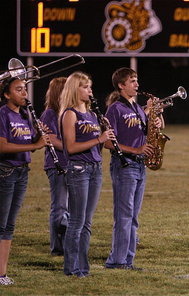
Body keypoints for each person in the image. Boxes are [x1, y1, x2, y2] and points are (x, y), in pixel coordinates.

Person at [104, 67, 163, 270]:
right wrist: (136, 149)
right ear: (121, 85)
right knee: (124, 216)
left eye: (137, 80)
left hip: (139, 166)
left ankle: (128, 260)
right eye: (132, 81)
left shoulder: (137, 108)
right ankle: (117, 261)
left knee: (133, 217)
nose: (137, 84)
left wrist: (156, 120)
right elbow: (108, 142)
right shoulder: (115, 109)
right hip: (124, 165)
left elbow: (149, 132)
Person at [59, 72, 115, 277]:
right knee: (76, 221)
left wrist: (105, 134)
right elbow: (71, 148)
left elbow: (97, 146)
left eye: (90, 86)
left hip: (95, 169)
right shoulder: (70, 114)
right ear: (75, 89)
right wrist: (99, 139)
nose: (90, 90)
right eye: (85, 87)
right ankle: (71, 268)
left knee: (87, 222)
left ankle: (83, 267)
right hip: (78, 170)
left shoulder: (92, 114)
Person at [0, 77, 48, 285]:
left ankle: (2, 274)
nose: (24, 94)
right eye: (18, 90)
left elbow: (27, 140)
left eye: (25, 90)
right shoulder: (2, 114)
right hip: (5, 171)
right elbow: (2, 146)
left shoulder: (26, 115)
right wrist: (35, 146)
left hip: (21, 172)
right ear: (7, 95)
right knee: (1, 224)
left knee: (9, 225)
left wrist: (39, 134)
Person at [40, 77, 69, 256]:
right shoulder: (50, 114)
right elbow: (51, 140)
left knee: (72, 210)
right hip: (57, 165)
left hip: (74, 165)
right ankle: (57, 248)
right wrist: (74, 145)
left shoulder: (70, 112)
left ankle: (68, 245)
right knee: (59, 209)